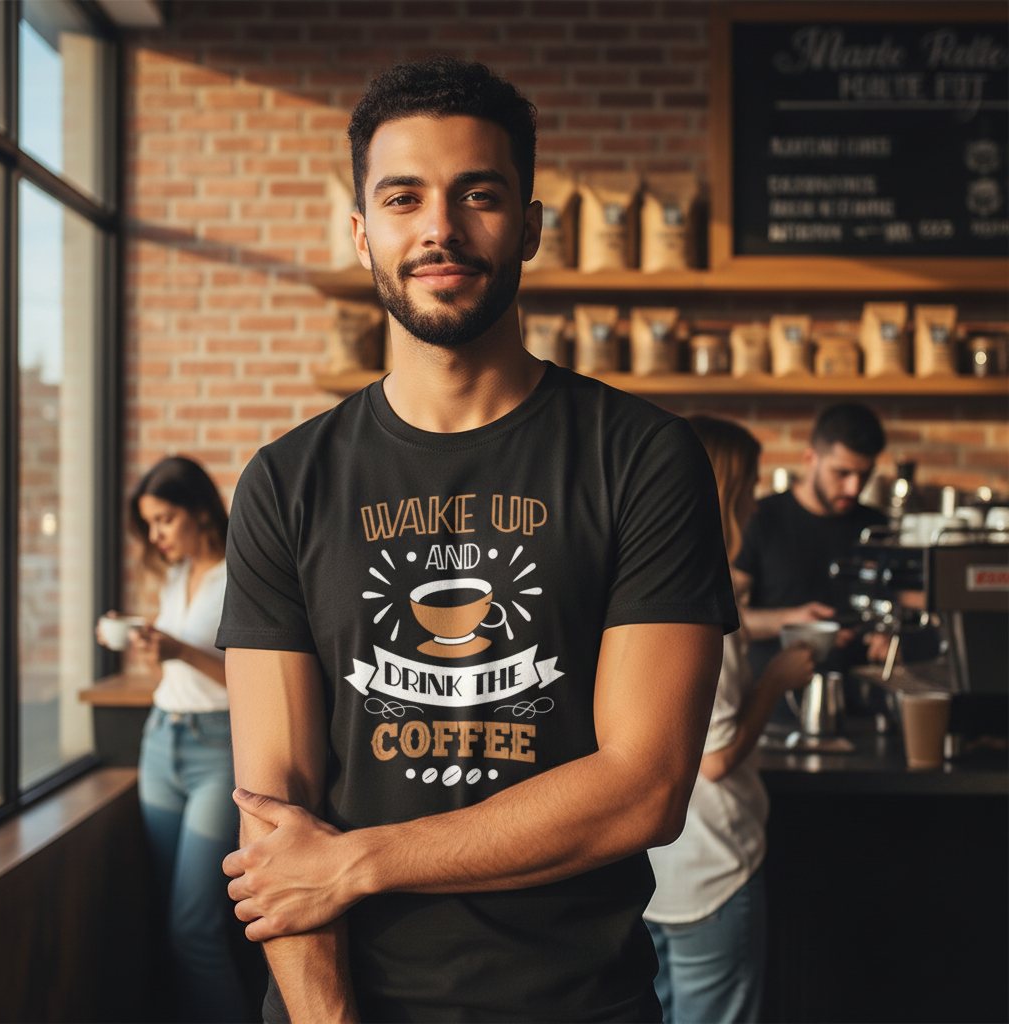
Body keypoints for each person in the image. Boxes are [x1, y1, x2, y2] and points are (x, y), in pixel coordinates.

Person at [216, 56, 738, 1024]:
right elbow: (273, 813)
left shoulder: (643, 457)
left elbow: (646, 787)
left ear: (529, 226)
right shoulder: (285, 483)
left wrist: (360, 862)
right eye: (403, 198)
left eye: (478, 195)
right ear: (362, 231)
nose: (440, 228)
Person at [644, 416, 815, 1024]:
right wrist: (774, 684)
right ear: (722, 492)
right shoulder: (699, 601)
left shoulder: (637, 585)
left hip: (648, 871)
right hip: (710, 867)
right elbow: (713, 761)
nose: (755, 505)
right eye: (749, 489)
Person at [97, 456, 249, 1024]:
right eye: (150, 524)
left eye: (164, 519)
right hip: (161, 740)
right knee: (171, 911)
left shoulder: (240, 574)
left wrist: (177, 649)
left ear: (200, 511)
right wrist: (148, 642)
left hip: (218, 749)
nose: (156, 535)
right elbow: (176, 662)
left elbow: (248, 677)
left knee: (194, 923)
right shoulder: (178, 574)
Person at [732, 402, 889, 684]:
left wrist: (888, 635)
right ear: (810, 458)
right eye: (842, 473)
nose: (854, 488)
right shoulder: (760, 517)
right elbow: (724, 619)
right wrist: (791, 621)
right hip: (773, 697)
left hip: (859, 695)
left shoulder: (876, 526)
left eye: (865, 475)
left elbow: (898, 604)